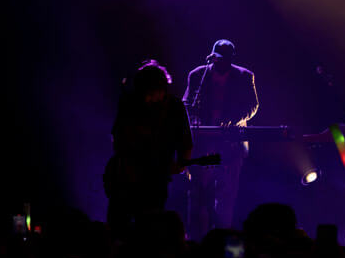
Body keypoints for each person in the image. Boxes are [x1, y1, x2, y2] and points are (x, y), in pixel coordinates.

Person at [106, 60, 193, 235]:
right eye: (143, 93)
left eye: (151, 93)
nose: (146, 98)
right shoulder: (130, 102)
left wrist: (181, 163)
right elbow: (117, 136)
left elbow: (186, 141)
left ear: (162, 89)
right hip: (126, 176)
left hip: (156, 177)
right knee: (119, 224)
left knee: (150, 222)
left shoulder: (174, 107)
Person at [183, 39, 259, 234]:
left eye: (224, 60)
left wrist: (232, 120)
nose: (219, 63)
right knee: (198, 193)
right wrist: (195, 119)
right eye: (217, 59)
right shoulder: (198, 75)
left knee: (226, 195)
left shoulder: (244, 76)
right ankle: (196, 238)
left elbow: (252, 105)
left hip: (231, 145)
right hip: (203, 143)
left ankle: (223, 237)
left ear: (231, 59)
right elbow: (186, 103)